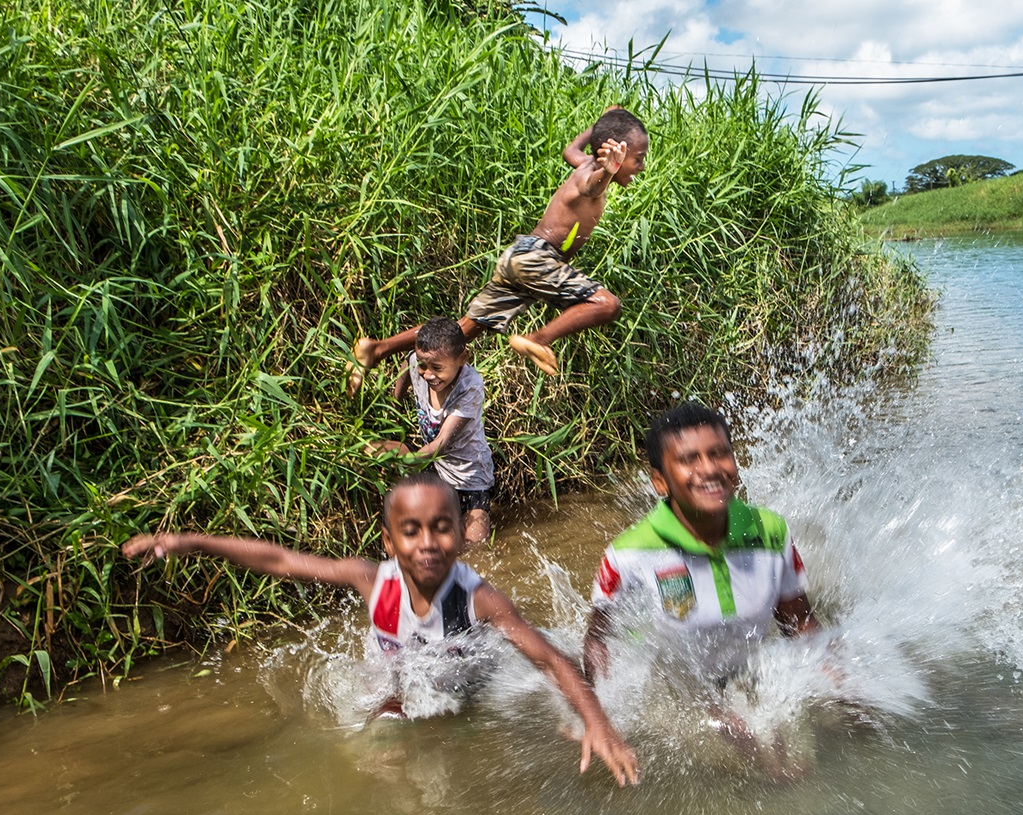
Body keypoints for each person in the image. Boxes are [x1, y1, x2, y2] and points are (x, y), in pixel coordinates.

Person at [122, 472, 640, 787]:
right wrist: (191, 540)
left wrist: (597, 720)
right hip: (401, 667)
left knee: (455, 724)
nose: (427, 542)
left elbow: (548, 659)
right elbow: (280, 559)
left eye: (442, 527)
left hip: (469, 674)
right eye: (410, 531)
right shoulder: (370, 579)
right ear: (390, 543)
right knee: (383, 726)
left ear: (461, 536)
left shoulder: (479, 599)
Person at [347, 106, 648, 389]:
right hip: (538, 259)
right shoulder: (592, 176)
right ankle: (539, 339)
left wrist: (599, 124)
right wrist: (608, 170)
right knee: (607, 305)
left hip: (521, 257)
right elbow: (594, 186)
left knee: (459, 333)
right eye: (638, 158)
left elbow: (570, 149)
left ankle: (376, 348)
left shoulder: (583, 162)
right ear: (614, 154)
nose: (642, 166)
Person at [582, 401, 821, 686]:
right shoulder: (630, 554)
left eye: (720, 454)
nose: (709, 469)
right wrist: (600, 713)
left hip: (744, 674)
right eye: (688, 460)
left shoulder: (770, 532)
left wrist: (837, 680)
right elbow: (599, 639)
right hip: (670, 687)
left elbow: (800, 625)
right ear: (660, 482)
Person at [368, 317, 494, 545]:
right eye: (423, 366)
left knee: (475, 550)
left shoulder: (470, 386)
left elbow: (440, 445)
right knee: (371, 448)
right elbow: (406, 368)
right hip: (433, 464)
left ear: (462, 359)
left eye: (437, 368)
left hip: (468, 478)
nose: (427, 374)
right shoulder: (417, 363)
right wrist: (393, 406)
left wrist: (408, 461)